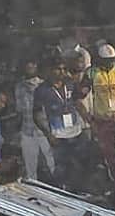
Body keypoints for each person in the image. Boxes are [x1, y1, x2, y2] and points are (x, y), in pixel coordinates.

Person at [33, 57, 86, 191]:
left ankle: (78, 192)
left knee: (79, 165)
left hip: (75, 131)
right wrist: (48, 134)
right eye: (58, 69)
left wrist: (88, 121)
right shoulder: (42, 90)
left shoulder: (70, 83)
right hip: (58, 135)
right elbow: (37, 114)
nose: (61, 72)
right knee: (61, 167)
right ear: (50, 70)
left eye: (64, 69)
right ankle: (62, 192)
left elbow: (78, 102)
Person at [89, 43, 115, 180]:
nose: (109, 63)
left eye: (111, 60)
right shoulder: (92, 73)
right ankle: (113, 177)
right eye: (105, 61)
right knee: (108, 150)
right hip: (103, 118)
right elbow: (80, 95)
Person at [14, 60, 55, 182]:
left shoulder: (44, 86)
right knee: (30, 166)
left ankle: (59, 189)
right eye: (28, 66)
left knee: (52, 162)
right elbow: (19, 111)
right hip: (27, 130)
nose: (30, 68)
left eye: (33, 65)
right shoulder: (19, 87)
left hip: (44, 130)